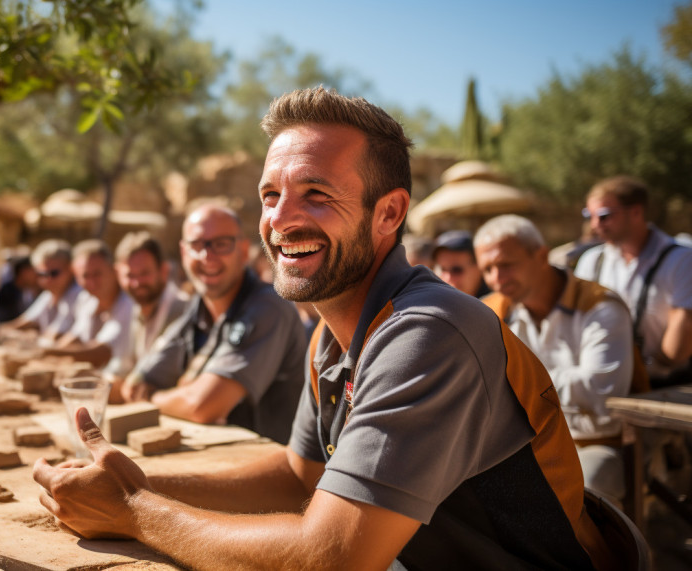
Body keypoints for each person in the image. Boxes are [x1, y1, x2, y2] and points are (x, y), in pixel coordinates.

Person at [35, 87, 615, 570]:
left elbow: (332, 558)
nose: (281, 219)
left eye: (315, 194)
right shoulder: (332, 335)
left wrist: (135, 511)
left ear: (388, 213)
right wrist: (139, 481)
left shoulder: (430, 332)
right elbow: (297, 477)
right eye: (270, 195)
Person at [474, 214, 635, 504]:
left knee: (576, 494)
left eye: (506, 264)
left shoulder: (600, 305)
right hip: (523, 448)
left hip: (595, 444)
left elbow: (600, 392)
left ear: (542, 255)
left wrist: (512, 379)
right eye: (487, 269)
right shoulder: (492, 310)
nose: (497, 279)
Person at [120, 204, 306, 444]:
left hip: (273, 467)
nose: (207, 256)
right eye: (196, 245)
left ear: (243, 250)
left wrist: (153, 399)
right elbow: (137, 382)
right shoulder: (199, 309)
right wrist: (178, 395)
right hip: (218, 458)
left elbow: (203, 405)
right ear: (184, 252)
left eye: (220, 244)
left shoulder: (269, 308)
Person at [574, 175, 692, 387]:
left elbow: (682, 335)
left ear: (636, 212)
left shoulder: (682, 259)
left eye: (604, 216)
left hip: (667, 386)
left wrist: (650, 368)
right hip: (606, 384)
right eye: (589, 216)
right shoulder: (592, 261)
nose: (594, 225)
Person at [40, 240, 134, 371]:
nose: (91, 282)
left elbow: (101, 353)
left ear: (113, 271)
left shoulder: (128, 303)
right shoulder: (87, 300)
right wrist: (50, 351)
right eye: (85, 276)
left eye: (97, 274)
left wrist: (47, 353)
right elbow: (75, 336)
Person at [112, 231, 190, 378]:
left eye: (144, 273)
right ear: (118, 274)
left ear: (164, 271)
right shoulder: (137, 309)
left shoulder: (182, 311)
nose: (137, 283)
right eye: (130, 275)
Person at [6, 239, 83, 342]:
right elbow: (25, 322)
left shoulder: (77, 294)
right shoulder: (49, 294)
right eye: (42, 274)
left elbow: (56, 336)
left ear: (71, 270)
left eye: (54, 273)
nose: (48, 279)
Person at [431, 229, 490, 297]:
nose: (448, 278)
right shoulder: (435, 299)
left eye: (456, 270)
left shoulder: (499, 303)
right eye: (442, 269)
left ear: (479, 267)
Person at [0, 256, 38, 323]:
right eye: (33, 270)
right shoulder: (8, 291)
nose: (36, 274)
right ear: (24, 272)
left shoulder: (31, 290)